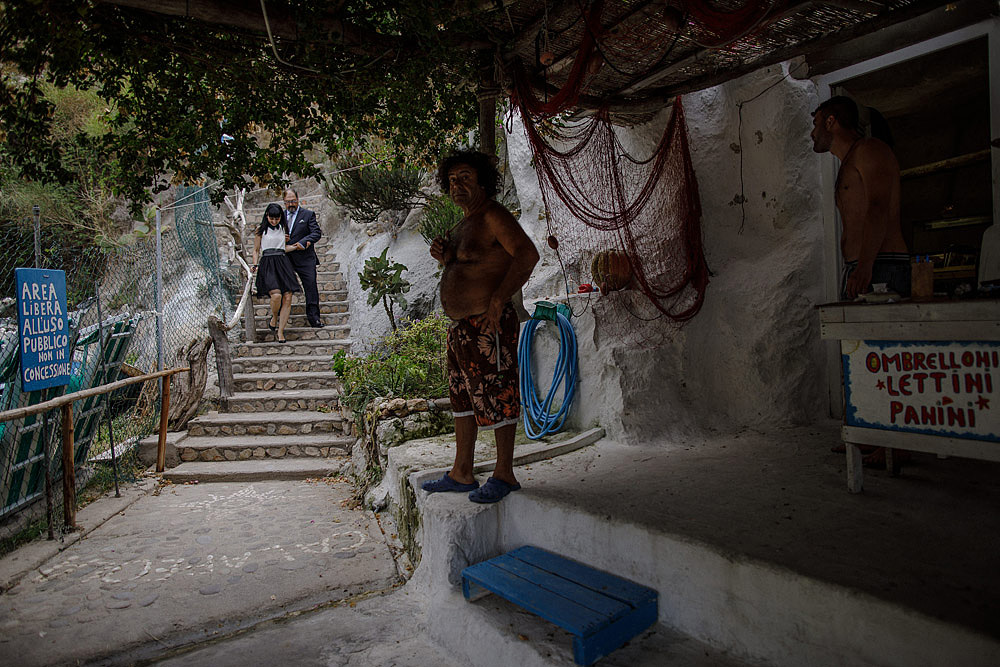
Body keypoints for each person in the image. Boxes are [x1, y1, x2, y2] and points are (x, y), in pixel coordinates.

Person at [421, 151, 539, 504]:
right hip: (461, 329)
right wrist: (444, 256)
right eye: (452, 179)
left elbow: (527, 254)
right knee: (463, 400)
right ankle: (462, 472)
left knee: (499, 395)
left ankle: (504, 474)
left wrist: (500, 299)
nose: (458, 185)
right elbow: (470, 265)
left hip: (488, 324)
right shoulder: (463, 223)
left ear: (483, 181)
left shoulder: (492, 215)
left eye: (466, 177)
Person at [811, 96, 910, 300]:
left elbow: (878, 207)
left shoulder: (869, 149)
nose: (812, 133)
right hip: (860, 267)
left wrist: (865, 267)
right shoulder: (848, 162)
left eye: (815, 124)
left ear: (830, 122)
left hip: (881, 265)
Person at [252, 203, 300, 344]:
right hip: (267, 263)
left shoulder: (283, 228)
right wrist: (254, 264)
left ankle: (280, 332)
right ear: (267, 216)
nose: (274, 221)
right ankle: (274, 317)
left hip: (282, 262)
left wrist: (296, 246)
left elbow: (283, 248)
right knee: (276, 295)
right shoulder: (260, 230)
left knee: (288, 296)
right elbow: (256, 250)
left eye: (277, 219)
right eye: (271, 218)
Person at [282, 188, 323, 327]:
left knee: (310, 286)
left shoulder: (308, 214)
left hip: (305, 258)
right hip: (286, 258)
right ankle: (281, 319)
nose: (291, 204)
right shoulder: (279, 216)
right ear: (284, 202)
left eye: (293, 200)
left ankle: (314, 318)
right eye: (288, 202)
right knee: (283, 288)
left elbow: (316, 232)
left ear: (298, 199)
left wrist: (303, 242)